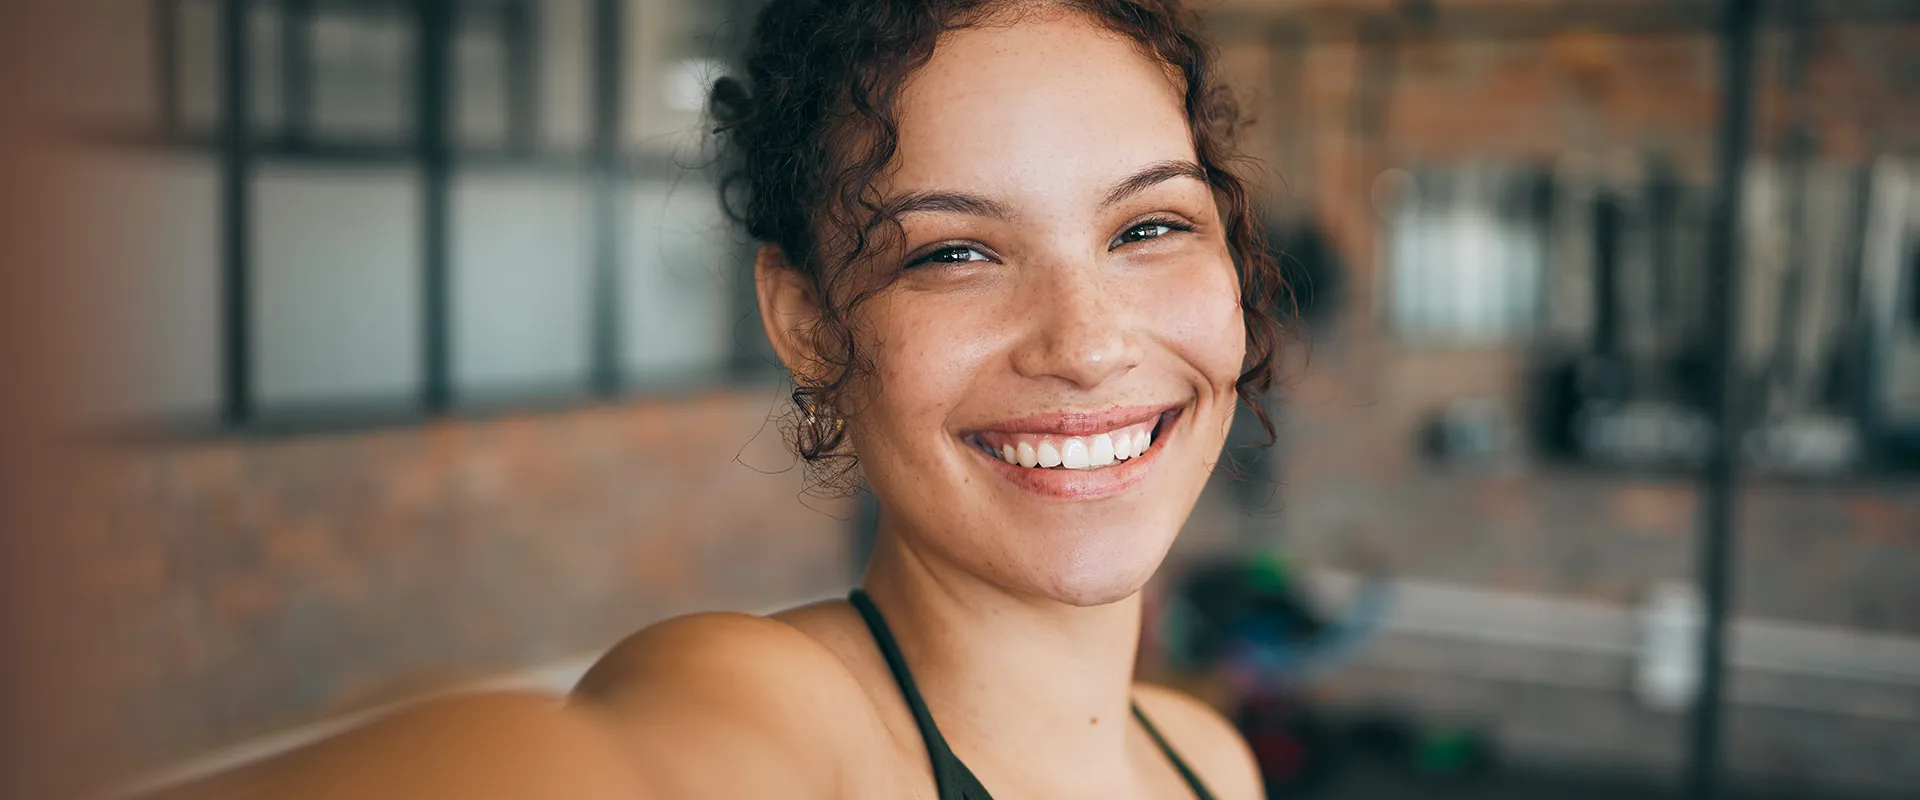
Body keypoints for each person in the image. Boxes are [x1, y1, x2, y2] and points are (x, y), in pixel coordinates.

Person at [178, 0, 1287, 797]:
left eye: (1150, 227)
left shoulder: (1208, 760)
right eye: (952, 252)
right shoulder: (775, 711)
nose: (1087, 344)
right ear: (810, 325)